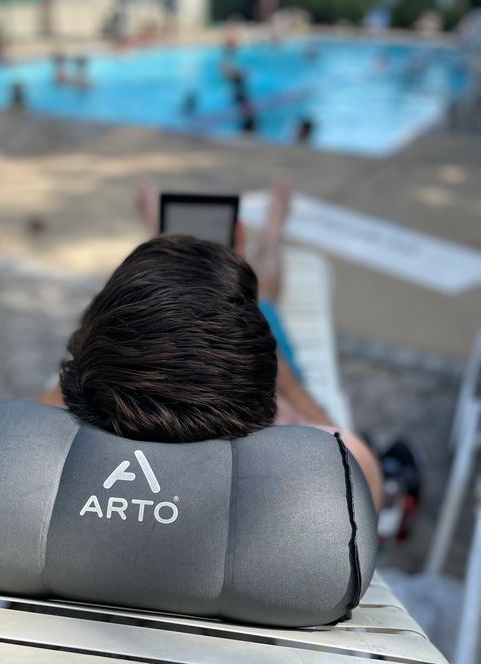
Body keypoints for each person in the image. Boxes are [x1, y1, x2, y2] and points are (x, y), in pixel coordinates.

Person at [41, 179, 382, 507]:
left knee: (145, 306)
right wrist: (284, 383)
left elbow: (61, 389)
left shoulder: (64, 424)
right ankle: (269, 233)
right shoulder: (332, 465)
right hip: (240, 374)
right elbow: (340, 442)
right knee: (266, 300)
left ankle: (169, 249)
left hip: (163, 365)